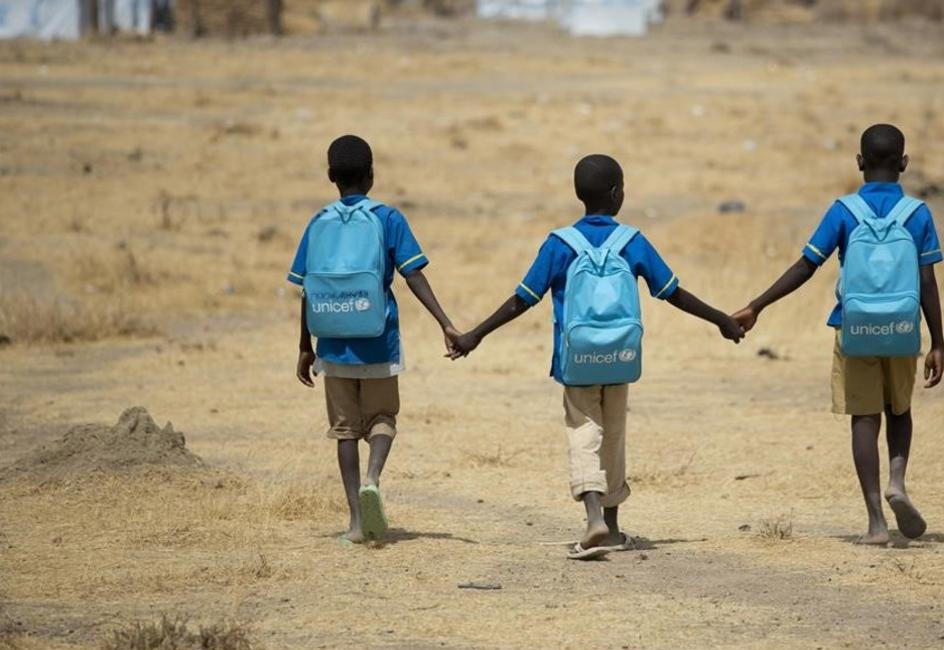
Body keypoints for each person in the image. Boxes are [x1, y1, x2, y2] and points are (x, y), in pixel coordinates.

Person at [448, 154, 745, 558]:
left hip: (576, 361)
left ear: (578, 195)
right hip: (621, 356)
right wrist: (720, 320)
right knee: (615, 436)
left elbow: (523, 299)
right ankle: (614, 527)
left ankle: (593, 521)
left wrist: (475, 335)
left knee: (583, 433)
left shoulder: (559, 244)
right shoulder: (632, 241)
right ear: (617, 193)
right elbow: (673, 292)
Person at [732, 124, 944, 545]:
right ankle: (897, 482)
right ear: (904, 164)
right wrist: (938, 341)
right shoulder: (918, 214)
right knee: (899, 410)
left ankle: (876, 523)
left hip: (855, 329)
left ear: (860, 163)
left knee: (864, 418)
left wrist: (757, 305)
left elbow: (805, 266)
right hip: (903, 329)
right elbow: (928, 280)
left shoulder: (844, 212)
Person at [288, 135, 460, 544]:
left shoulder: (318, 222)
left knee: (344, 431)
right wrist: (445, 322)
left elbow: (307, 288)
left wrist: (304, 345)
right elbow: (413, 273)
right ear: (371, 174)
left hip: (331, 340)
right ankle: (373, 478)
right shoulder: (388, 218)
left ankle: (354, 521)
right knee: (383, 417)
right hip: (379, 339)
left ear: (331, 176)